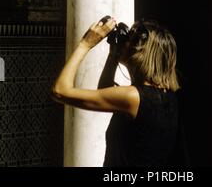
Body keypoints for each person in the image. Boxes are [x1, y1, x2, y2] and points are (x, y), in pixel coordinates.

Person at [52, 17, 180, 167]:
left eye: (128, 40)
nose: (123, 42)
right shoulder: (165, 95)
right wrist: (113, 55)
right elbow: (105, 92)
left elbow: (60, 91)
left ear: (139, 53)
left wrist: (85, 44)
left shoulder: (132, 97)